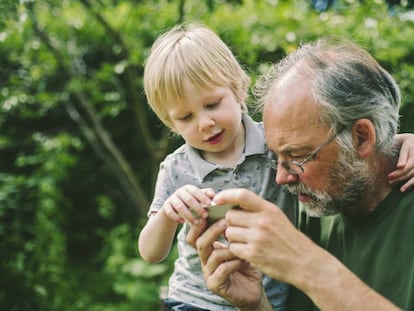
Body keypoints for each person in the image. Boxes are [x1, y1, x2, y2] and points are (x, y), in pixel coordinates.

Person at [191, 37, 414, 311]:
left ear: (362, 137)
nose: (281, 179)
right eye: (276, 157)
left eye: (297, 156)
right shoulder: (314, 206)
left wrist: (306, 265)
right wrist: (256, 304)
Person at [138, 23, 296, 311]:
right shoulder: (177, 168)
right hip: (193, 301)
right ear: (171, 124)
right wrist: (168, 213)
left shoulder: (275, 144)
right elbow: (150, 252)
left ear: (236, 87)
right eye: (185, 117)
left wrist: (401, 142)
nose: (204, 123)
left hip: (268, 302)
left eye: (212, 104)